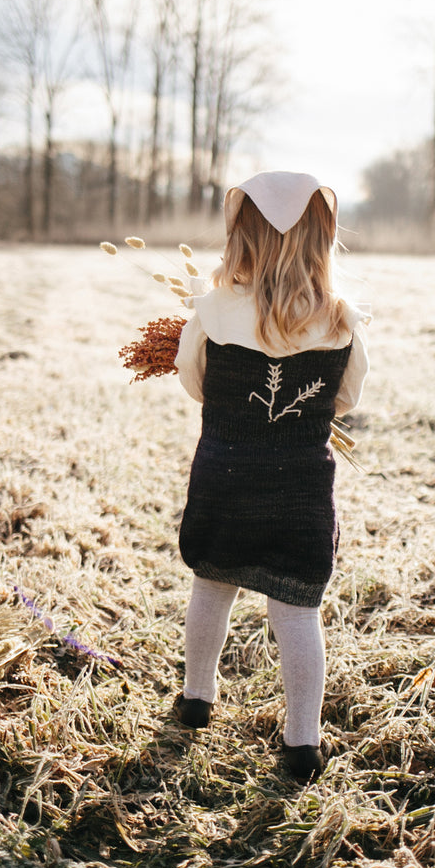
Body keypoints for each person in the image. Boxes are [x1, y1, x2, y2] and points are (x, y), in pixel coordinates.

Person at [172, 171, 369, 781]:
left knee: (212, 587)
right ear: (322, 239)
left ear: (241, 238)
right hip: (299, 490)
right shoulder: (341, 321)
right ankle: (302, 742)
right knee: (296, 611)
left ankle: (197, 699)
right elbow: (348, 398)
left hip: (225, 477)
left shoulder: (213, 309)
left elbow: (191, 376)